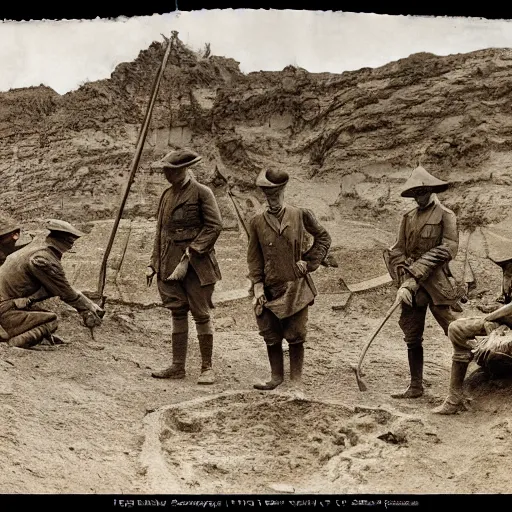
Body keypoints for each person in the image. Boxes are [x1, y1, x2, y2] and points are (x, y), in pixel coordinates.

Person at [247, 168, 331, 395]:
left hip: (296, 287)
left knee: (295, 334)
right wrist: (257, 285)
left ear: (283, 191)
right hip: (269, 287)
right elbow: (254, 258)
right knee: (270, 333)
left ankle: (296, 380)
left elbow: (323, 237)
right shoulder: (256, 222)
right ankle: (276, 377)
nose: (271, 200)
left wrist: (310, 261)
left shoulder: (301, 215)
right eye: (267, 196)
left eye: (275, 195)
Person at [383, 165, 461, 399]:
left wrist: (415, 274)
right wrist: (403, 281)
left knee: (456, 330)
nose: (419, 197)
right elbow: (397, 251)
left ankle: (478, 379)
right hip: (411, 289)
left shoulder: (446, 215)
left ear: (431, 191)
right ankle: (415, 385)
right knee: (412, 335)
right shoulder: (407, 218)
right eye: (415, 193)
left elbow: (448, 249)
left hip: (437, 285)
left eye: (422, 192)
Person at [147, 149, 223, 385]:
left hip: (197, 265)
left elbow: (214, 226)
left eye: (169, 171)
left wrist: (191, 253)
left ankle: (206, 368)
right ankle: (178, 366)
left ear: (183, 169)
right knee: (177, 312)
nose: (166, 175)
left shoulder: (202, 193)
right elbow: (161, 232)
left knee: (201, 314)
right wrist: (153, 263)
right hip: (169, 264)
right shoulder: (166, 195)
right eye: (165, 171)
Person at [0, 219, 104, 349]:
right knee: (51, 320)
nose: (71, 244)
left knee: (41, 313)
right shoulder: (43, 258)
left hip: (8, 304)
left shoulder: (36, 250)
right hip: (4, 308)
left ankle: (36, 337)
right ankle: (12, 344)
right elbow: (64, 291)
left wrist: (88, 304)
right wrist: (85, 309)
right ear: (68, 242)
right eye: (71, 241)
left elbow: (55, 288)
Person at [433, 300, 512, 414]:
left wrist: (490, 317)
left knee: (497, 347)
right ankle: (454, 399)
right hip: (507, 320)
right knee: (456, 329)